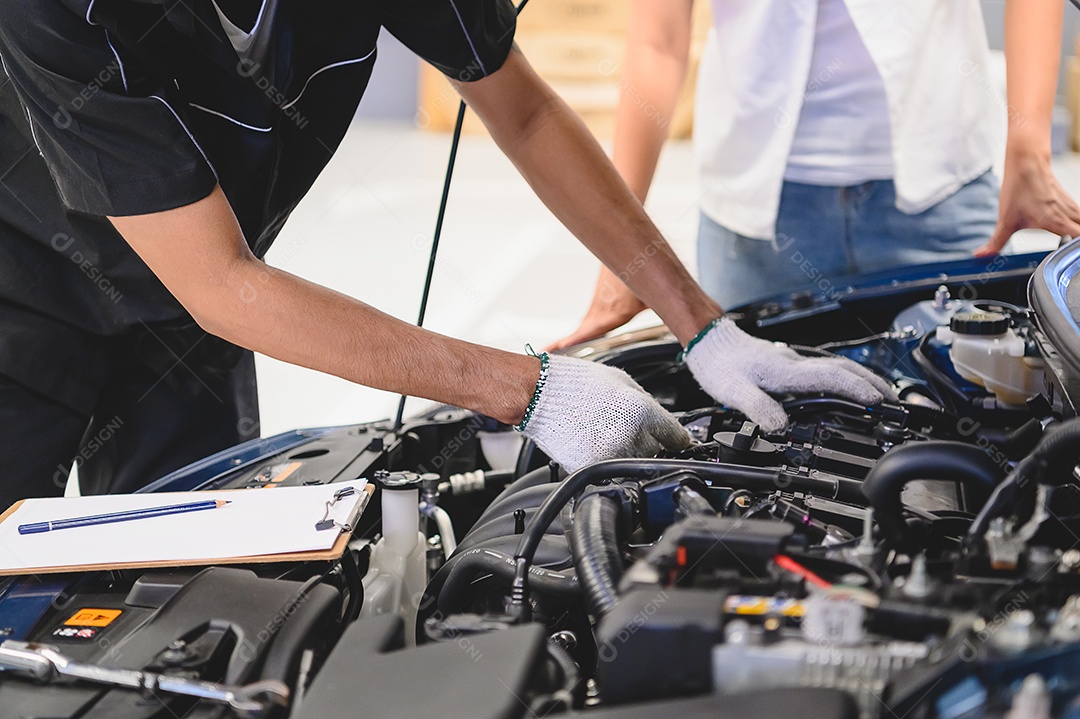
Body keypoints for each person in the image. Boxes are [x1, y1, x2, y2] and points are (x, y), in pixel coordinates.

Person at [0, 0, 892, 508]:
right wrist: (531, 388)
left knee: (180, 608)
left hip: (196, 320)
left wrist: (703, 328)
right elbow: (217, 282)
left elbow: (525, 111)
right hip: (24, 292)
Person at [552, 0, 1080, 351]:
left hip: (941, 194)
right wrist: (620, 252)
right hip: (756, 226)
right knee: (754, 448)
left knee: (974, 429)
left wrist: (1028, 152)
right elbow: (659, 40)